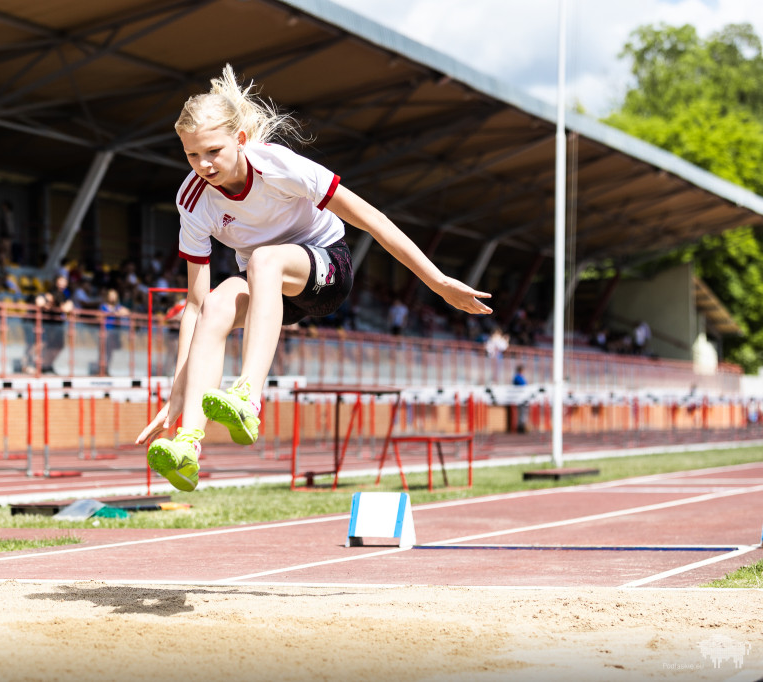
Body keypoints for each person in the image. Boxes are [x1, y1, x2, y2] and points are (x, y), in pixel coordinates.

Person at [135, 65, 491, 492]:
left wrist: (437, 282)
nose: (204, 165)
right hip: (273, 297)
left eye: (213, 151)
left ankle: (248, 395)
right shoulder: (193, 200)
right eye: (192, 155)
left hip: (326, 270)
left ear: (241, 140)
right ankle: (188, 444)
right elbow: (192, 305)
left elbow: (372, 220)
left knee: (263, 260)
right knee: (217, 299)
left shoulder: (279, 167)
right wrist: (177, 391)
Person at [512, 363, 529, 434]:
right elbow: (523, 385)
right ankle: (521, 428)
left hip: (521, 397)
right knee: (522, 413)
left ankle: (521, 427)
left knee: (522, 413)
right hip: (521, 398)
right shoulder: (518, 378)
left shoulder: (518, 377)